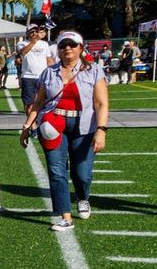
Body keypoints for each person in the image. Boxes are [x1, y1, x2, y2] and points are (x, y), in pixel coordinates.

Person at [19, 30, 110, 231]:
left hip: (84, 125)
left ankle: (82, 197)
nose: (67, 48)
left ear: (80, 47)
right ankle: (65, 216)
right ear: (58, 49)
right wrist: (27, 126)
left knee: (82, 173)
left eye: (72, 44)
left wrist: (101, 130)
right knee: (56, 171)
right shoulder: (48, 72)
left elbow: (101, 103)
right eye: (62, 45)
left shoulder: (94, 70)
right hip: (53, 123)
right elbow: (39, 102)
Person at [16, 24, 54, 108]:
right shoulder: (21, 43)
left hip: (43, 77)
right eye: (31, 32)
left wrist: (53, 72)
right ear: (27, 33)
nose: (34, 33)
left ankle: (39, 120)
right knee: (30, 104)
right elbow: (23, 52)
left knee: (44, 103)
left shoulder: (44, 44)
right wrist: (35, 41)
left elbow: (49, 60)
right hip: (28, 76)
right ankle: (31, 121)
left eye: (36, 31)